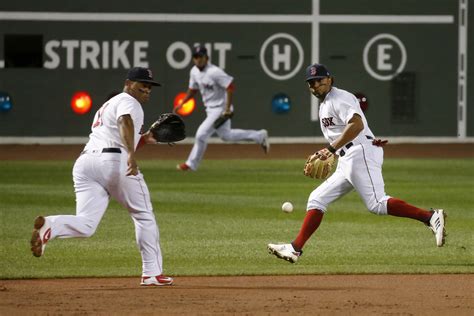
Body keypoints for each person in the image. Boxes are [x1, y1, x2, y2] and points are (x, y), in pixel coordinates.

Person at [267, 63, 446, 263]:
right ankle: (295, 248)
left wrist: (332, 149)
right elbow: (355, 127)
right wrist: (359, 142)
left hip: (358, 153)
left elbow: (356, 124)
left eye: (319, 80)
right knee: (317, 198)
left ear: (330, 79)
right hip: (350, 156)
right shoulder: (326, 103)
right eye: (311, 82)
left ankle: (430, 217)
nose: (316, 85)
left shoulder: (339, 98)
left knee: (377, 203)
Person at [30, 67, 174, 286]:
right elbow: (124, 122)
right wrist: (131, 155)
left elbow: (117, 136)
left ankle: (50, 226)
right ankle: (151, 273)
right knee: (143, 215)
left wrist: (145, 139)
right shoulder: (128, 101)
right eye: (141, 84)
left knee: (86, 224)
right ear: (128, 83)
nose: (146, 89)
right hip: (113, 162)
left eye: (149, 86)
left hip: (85, 163)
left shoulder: (106, 107)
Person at [174, 45, 270, 171]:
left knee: (201, 134)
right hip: (210, 109)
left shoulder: (214, 72)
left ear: (206, 58)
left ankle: (191, 165)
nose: (198, 59)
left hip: (221, 108)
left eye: (200, 57)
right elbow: (193, 90)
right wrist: (182, 103)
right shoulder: (194, 72)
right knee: (227, 136)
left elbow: (230, 86)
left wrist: (228, 108)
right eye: (196, 57)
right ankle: (259, 136)